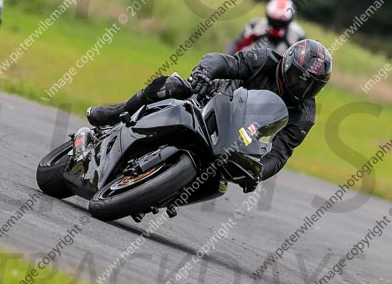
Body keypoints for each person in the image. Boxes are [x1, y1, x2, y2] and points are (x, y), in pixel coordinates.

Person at [86, 39, 332, 191]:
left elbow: (280, 154)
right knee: (173, 86)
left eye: (313, 86)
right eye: (299, 79)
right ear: (287, 64)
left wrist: (259, 172)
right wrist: (204, 73)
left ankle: (160, 189)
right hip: (214, 98)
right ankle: (118, 112)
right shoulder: (263, 59)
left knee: (221, 180)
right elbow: (224, 62)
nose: (303, 88)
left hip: (241, 137)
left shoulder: (305, 114)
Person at [225, 0, 307, 55]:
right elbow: (236, 46)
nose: (277, 26)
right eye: (274, 21)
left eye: (281, 22)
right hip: (248, 68)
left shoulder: (298, 35)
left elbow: (301, 60)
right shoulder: (255, 25)